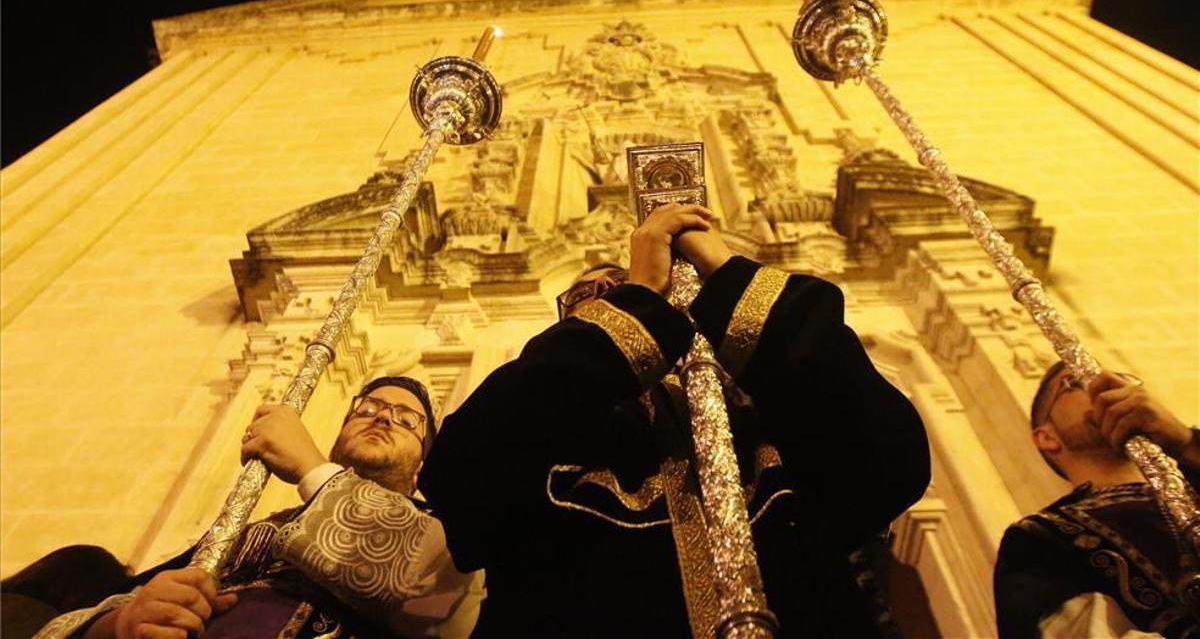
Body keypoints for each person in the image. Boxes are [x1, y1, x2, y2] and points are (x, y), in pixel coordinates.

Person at [419, 203, 931, 637]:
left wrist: (725, 270)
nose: (613, 293)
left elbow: (889, 462)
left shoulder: (765, 414)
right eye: (587, 294)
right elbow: (460, 484)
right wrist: (638, 295)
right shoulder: (530, 416)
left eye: (625, 284)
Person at [35, 375, 480, 639]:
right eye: (368, 409)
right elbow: (66, 625)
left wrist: (310, 467)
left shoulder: (446, 535)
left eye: (407, 420)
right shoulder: (246, 534)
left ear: (421, 466)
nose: (382, 417)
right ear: (337, 437)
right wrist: (118, 624)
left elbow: (444, 600)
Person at [994, 361, 1200, 638]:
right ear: (1047, 437)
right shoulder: (1041, 539)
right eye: (1076, 382)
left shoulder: (1192, 481)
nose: (1107, 384)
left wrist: (1187, 443)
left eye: (1118, 377)